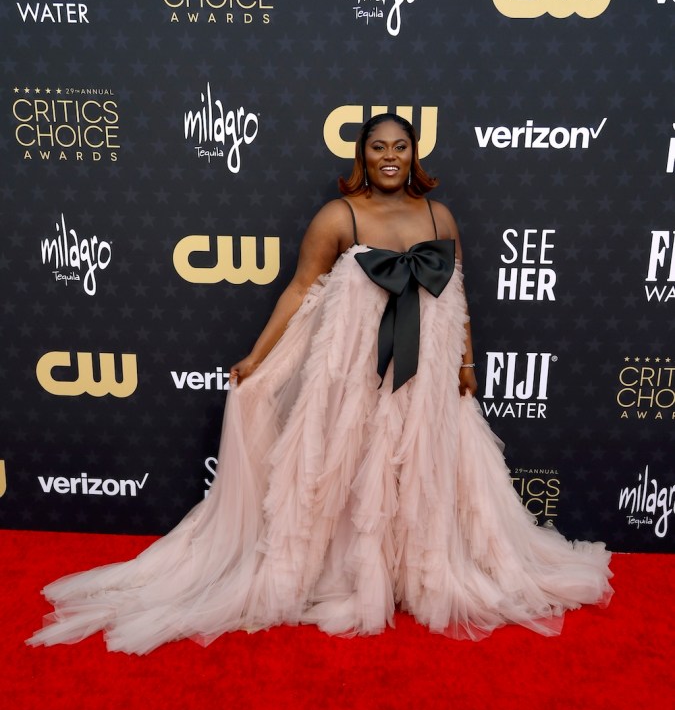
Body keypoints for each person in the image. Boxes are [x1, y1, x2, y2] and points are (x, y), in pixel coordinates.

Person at [27, 113, 612, 654]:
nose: (389, 156)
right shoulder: (339, 217)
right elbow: (301, 289)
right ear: (363, 155)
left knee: (425, 474)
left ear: (414, 154)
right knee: (352, 473)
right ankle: (355, 575)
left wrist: (466, 364)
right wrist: (258, 356)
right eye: (378, 147)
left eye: (400, 147)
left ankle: (417, 573)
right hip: (355, 380)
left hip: (425, 380)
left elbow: (456, 298)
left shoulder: (441, 218)